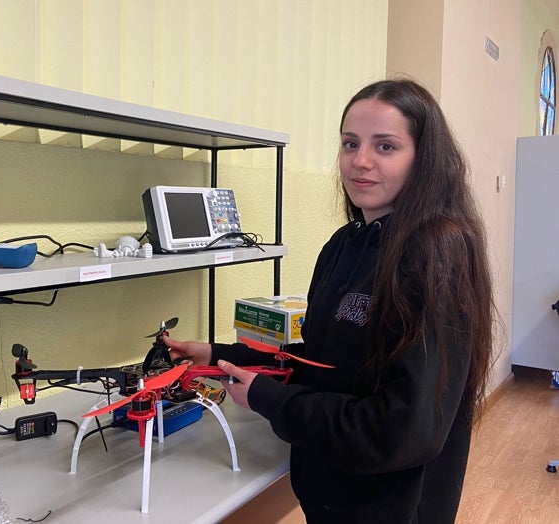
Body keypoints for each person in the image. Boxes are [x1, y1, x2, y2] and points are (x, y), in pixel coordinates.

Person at [163, 79, 494, 524]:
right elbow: (326, 363)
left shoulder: (435, 252)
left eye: (386, 147)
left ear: (424, 160)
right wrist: (221, 356)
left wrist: (271, 401)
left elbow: (402, 430)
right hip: (331, 499)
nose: (361, 161)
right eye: (350, 143)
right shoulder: (345, 243)